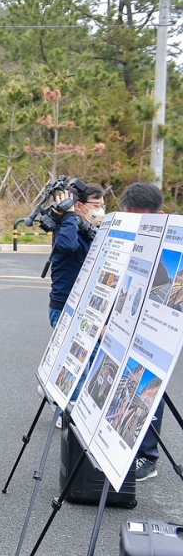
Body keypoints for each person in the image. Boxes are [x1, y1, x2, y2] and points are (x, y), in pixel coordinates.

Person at [120, 182, 166, 482]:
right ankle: (125, 445)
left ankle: (147, 457)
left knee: (150, 387)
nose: (138, 224)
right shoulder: (127, 234)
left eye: (143, 218)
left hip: (156, 329)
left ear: (158, 215)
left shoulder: (171, 242)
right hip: (127, 324)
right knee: (126, 385)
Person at [48, 182, 104, 327]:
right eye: (96, 205)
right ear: (78, 206)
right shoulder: (66, 228)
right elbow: (68, 246)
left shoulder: (89, 229)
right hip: (65, 306)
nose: (101, 210)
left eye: (102, 205)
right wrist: (69, 215)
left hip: (88, 305)